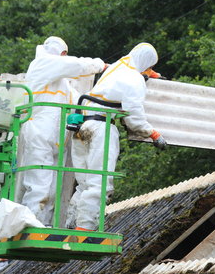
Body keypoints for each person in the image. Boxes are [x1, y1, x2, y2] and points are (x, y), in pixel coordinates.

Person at [67, 42, 167, 231]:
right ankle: (85, 231)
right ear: (146, 63)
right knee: (100, 183)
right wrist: (153, 134)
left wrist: (149, 74)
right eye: (150, 67)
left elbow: (123, 79)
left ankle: (70, 227)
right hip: (100, 129)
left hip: (82, 125)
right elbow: (134, 116)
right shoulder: (134, 79)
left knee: (84, 184)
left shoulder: (117, 68)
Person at [20, 36, 106, 226]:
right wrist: (102, 65)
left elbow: (80, 101)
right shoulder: (43, 63)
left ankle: (43, 225)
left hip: (55, 137)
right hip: (40, 132)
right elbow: (77, 66)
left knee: (51, 188)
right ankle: (30, 224)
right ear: (62, 54)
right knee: (39, 184)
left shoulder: (62, 84)